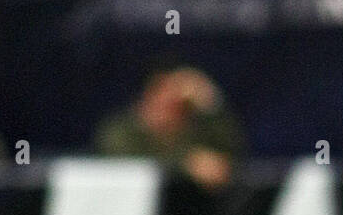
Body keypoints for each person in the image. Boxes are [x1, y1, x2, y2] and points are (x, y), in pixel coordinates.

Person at [94, 63, 243, 190]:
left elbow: (231, 151)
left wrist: (211, 105)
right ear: (148, 94)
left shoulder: (197, 128)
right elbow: (130, 166)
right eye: (163, 91)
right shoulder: (120, 130)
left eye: (178, 96)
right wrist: (186, 164)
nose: (171, 99)